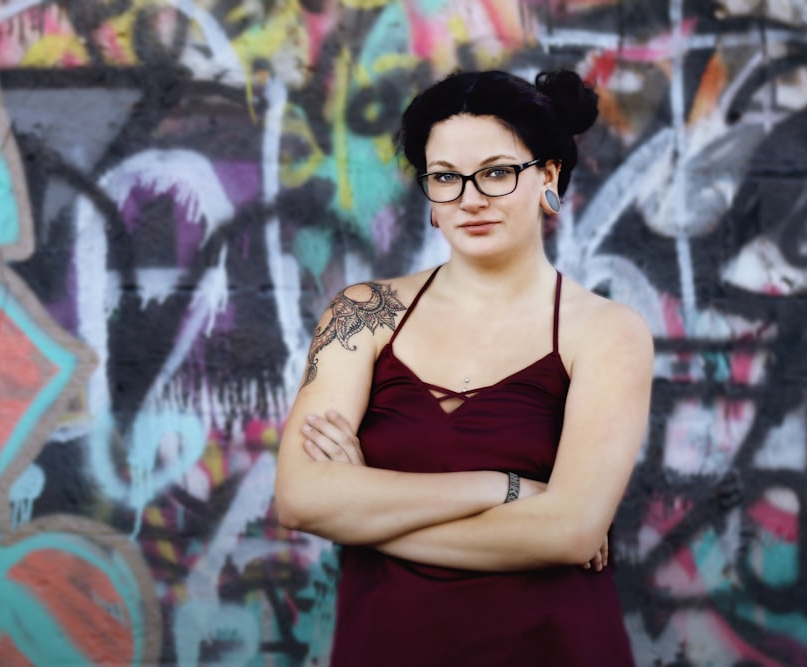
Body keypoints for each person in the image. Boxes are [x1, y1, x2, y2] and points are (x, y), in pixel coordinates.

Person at [274, 69, 654, 666]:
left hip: (554, 649)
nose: (470, 198)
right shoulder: (364, 315)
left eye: (498, 172)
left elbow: (570, 533)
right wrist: (501, 488)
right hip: (389, 646)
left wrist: (363, 515)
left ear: (548, 176)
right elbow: (300, 498)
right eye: (445, 178)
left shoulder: (607, 332)